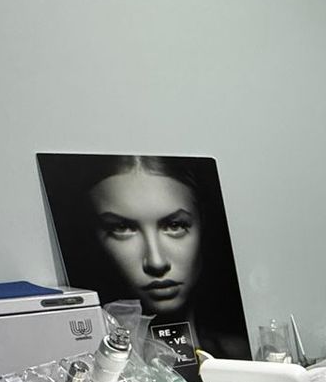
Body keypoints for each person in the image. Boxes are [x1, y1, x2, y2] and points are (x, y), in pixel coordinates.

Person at [38, 153, 251, 360]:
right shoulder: (82, 366)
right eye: (122, 228)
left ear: (203, 223)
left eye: (174, 225)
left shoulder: (240, 355)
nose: (156, 262)